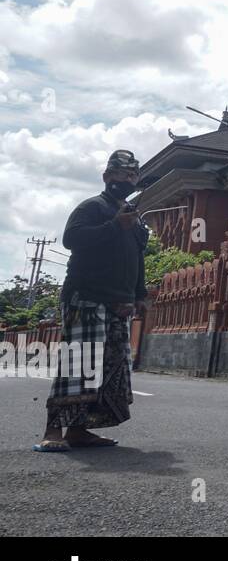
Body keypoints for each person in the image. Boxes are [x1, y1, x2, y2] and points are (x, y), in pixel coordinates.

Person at [35, 150, 149, 452]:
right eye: (121, 174)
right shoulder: (92, 207)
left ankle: (78, 430)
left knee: (109, 369)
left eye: (132, 175)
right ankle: (53, 430)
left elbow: (137, 258)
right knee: (79, 365)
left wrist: (140, 294)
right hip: (84, 298)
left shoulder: (132, 216)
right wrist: (115, 226)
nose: (127, 179)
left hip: (118, 304)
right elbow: (72, 240)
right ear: (106, 176)